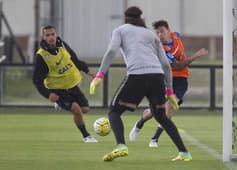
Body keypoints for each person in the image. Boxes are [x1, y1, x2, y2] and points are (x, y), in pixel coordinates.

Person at [89, 6, 192, 161]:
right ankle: (184, 153)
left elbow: (111, 51)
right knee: (161, 116)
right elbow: (165, 64)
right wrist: (169, 91)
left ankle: (121, 146)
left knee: (114, 112)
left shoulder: (120, 30)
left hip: (137, 75)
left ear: (126, 18)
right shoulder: (151, 35)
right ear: (141, 18)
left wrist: (100, 75)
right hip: (157, 77)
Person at [129, 20, 208, 147]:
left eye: (162, 31)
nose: (160, 34)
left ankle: (154, 139)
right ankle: (140, 123)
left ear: (168, 30)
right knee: (157, 111)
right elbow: (179, 65)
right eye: (157, 32)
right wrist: (196, 55)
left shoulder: (175, 35)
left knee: (170, 106)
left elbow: (177, 37)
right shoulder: (163, 49)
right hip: (166, 79)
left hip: (181, 80)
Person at [32, 25, 98, 143]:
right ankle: (86, 136)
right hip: (57, 89)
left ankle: (61, 105)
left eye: (53, 34)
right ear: (43, 37)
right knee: (76, 110)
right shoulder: (41, 56)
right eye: (48, 35)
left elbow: (75, 60)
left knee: (85, 109)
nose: (51, 37)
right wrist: (48, 95)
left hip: (72, 85)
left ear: (56, 34)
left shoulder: (62, 45)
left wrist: (88, 72)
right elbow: (37, 80)